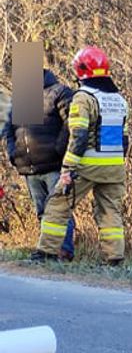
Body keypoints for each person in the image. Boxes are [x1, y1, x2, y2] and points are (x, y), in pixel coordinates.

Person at [31, 46, 129, 264]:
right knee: (110, 212)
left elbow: (79, 137)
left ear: (81, 70)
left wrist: (67, 169)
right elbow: (124, 139)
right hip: (114, 167)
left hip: (87, 165)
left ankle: (46, 253)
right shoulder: (119, 99)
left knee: (57, 204)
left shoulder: (83, 98)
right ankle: (114, 259)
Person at [3, 68, 76, 260]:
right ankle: (46, 252)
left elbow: (72, 123)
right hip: (29, 167)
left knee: (59, 210)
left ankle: (64, 251)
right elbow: (9, 130)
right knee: (42, 212)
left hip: (54, 165)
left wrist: (59, 149)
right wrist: (13, 154)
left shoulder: (59, 92)